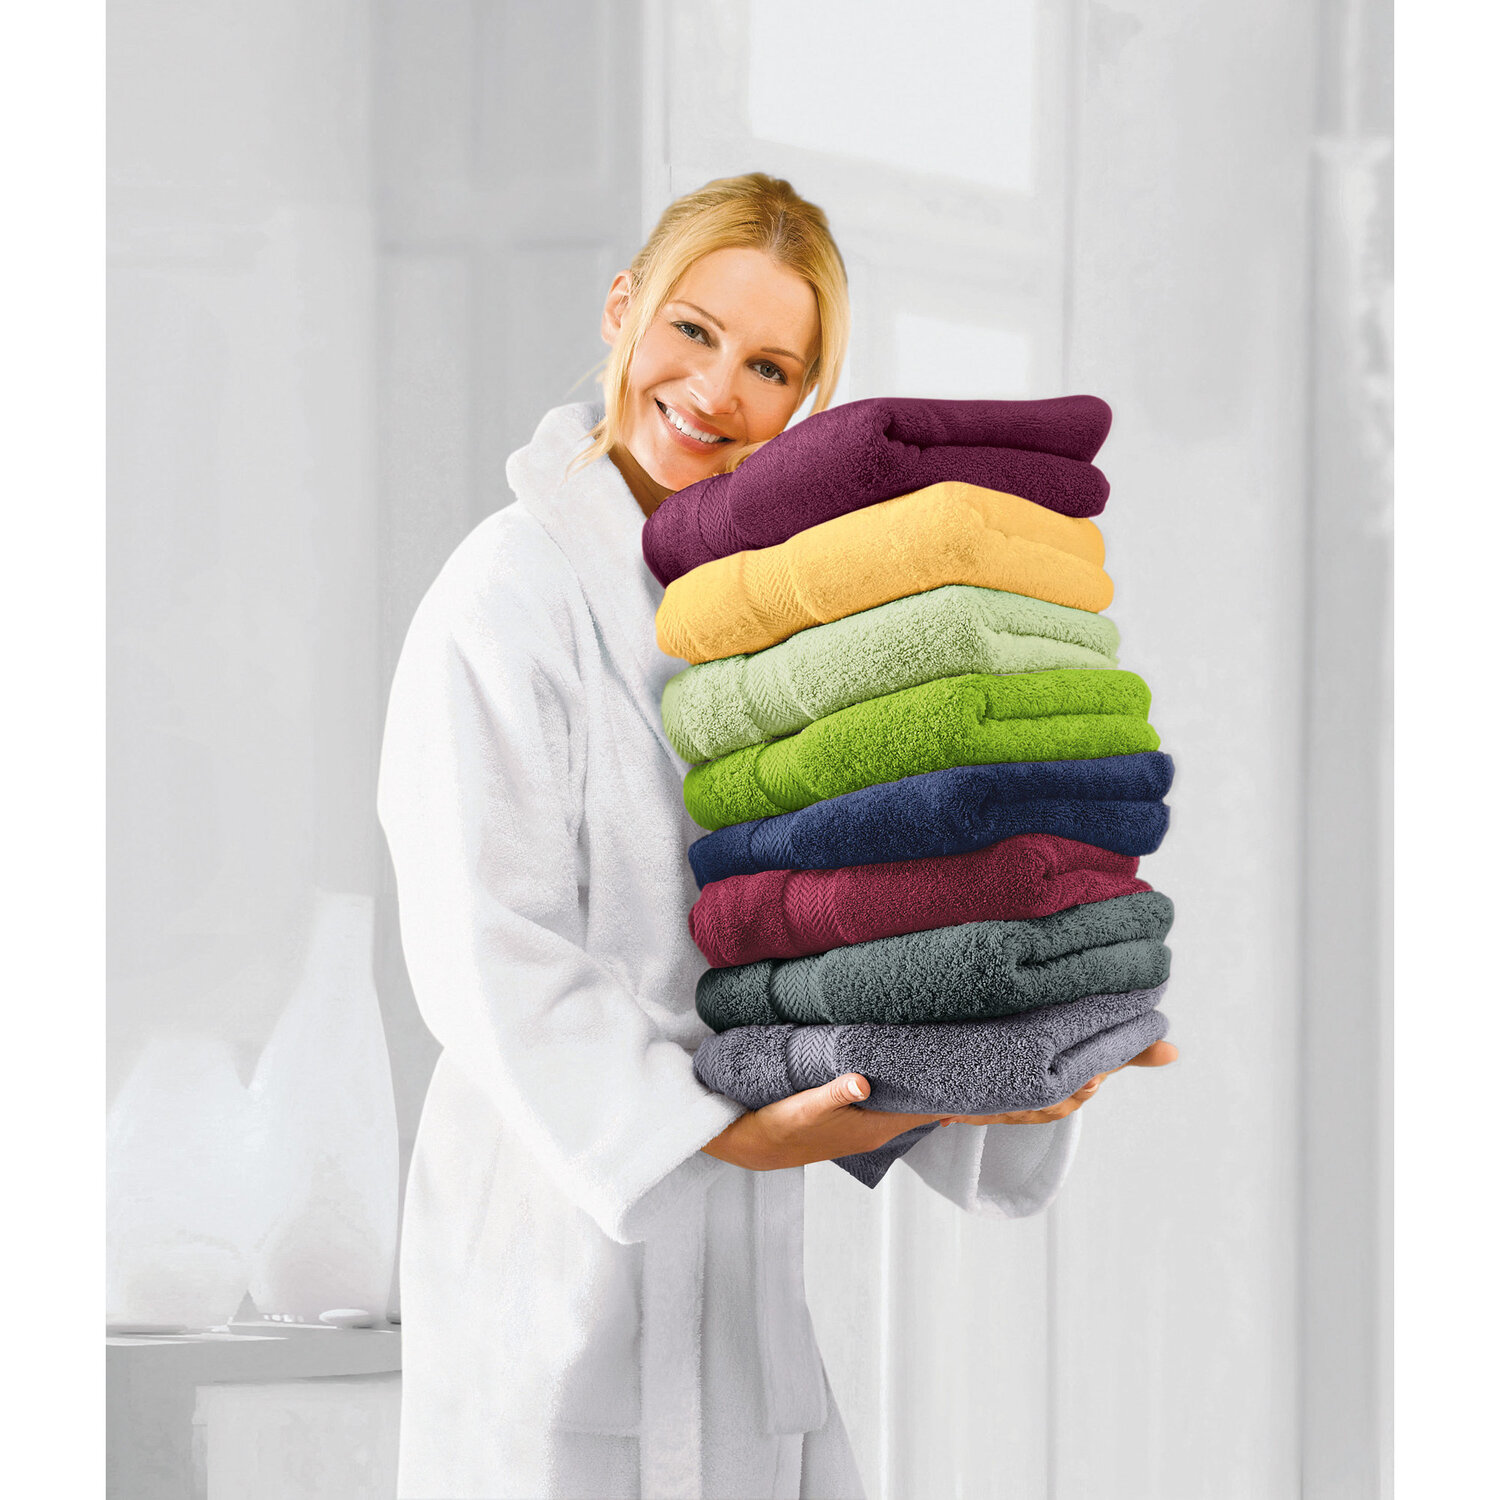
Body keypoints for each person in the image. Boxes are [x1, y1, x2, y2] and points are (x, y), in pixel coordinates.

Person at [377, 172, 1176, 1500]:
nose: (715, 390)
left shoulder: (775, 616)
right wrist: (697, 1132)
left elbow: (858, 908)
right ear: (624, 309)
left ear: (805, 397)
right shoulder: (503, 594)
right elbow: (481, 944)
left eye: (769, 366)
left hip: (754, 1278)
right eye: (692, 331)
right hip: (554, 1243)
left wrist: (1009, 1054)